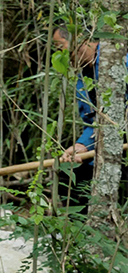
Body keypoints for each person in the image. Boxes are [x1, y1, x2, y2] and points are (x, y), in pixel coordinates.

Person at [50, 26, 99, 202]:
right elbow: (93, 123)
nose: (61, 54)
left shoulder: (119, 61)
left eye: (60, 46)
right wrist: (81, 147)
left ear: (78, 38)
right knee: (68, 177)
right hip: (103, 148)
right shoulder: (82, 80)